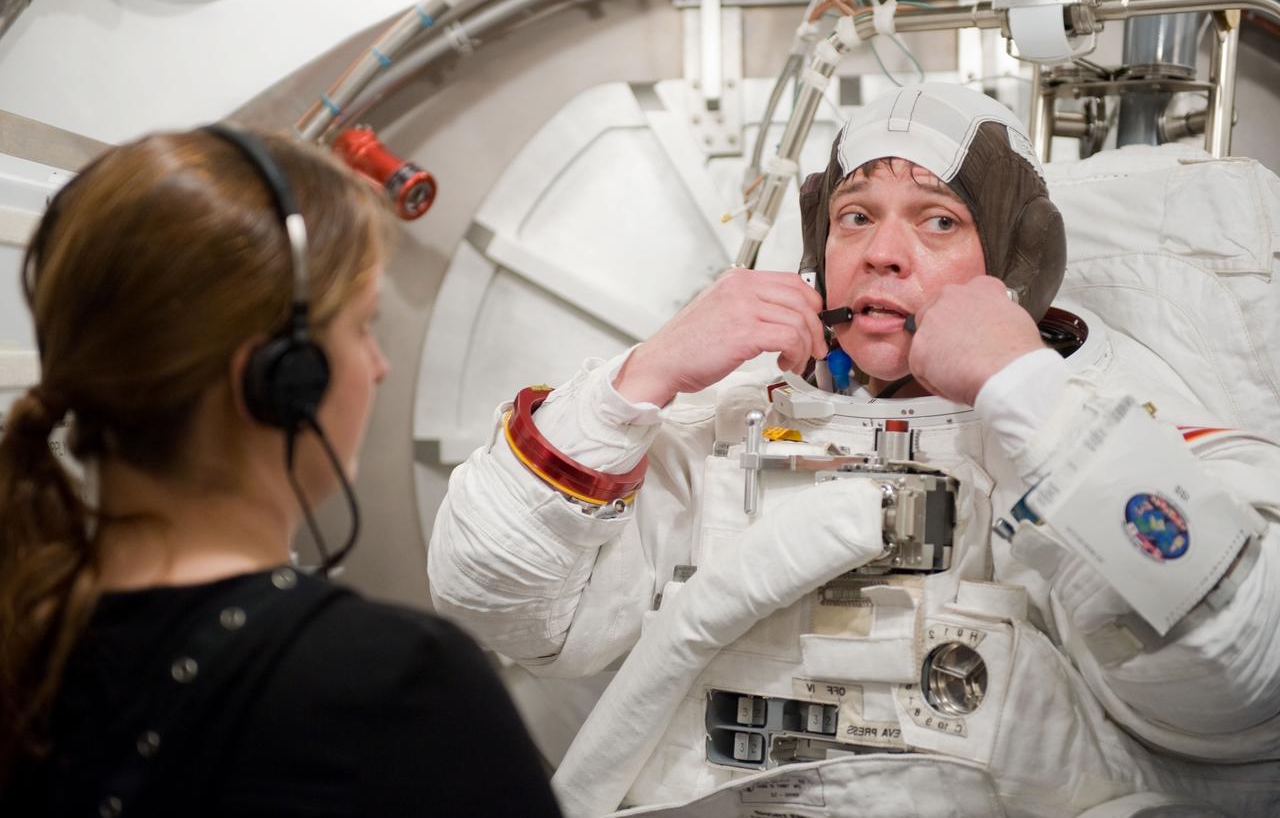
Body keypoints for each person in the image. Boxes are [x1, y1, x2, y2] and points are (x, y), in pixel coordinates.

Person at [430, 83, 1280, 817]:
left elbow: (1239, 680)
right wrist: (643, 374)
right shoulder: (734, 421)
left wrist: (1021, 389)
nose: (881, 251)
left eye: (938, 220)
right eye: (855, 217)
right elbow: (503, 605)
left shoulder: (1113, 423)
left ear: (1016, 260)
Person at [0, 127, 563, 818]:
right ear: (280, 379)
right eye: (363, 327)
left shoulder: (24, 654)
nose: (379, 365)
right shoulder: (399, 690)